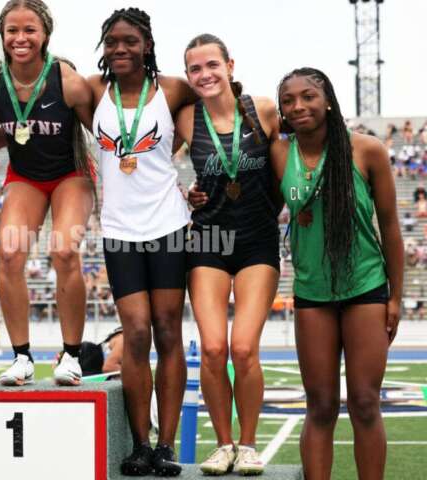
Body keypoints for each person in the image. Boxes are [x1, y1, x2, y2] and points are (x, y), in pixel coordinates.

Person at [271, 67, 403, 480]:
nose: (298, 105)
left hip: (365, 288)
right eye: (288, 100)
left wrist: (395, 296)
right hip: (312, 293)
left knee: (364, 401)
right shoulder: (279, 154)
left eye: (308, 96)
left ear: (327, 99)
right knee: (321, 405)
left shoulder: (367, 150)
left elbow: (391, 225)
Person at [88, 8, 196, 477]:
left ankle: (166, 445)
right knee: (135, 332)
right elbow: (37, 81)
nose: (120, 49)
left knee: (168, 330)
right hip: (119, 229)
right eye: (112, 41)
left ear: (147, 44)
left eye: (130, 41)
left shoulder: (172, 90)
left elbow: (219, 99)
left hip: (169, 224)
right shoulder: (92, 91)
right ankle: (138, 442)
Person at [0, 0, 95, 387]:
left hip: (70, 174)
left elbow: (101, 134)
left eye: (30, 30)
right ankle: (21, 357)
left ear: (45, 34)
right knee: (9, 253)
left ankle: (72, 355)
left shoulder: (69, 81)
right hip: (24, 175)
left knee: (63, 250)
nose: (20, 38)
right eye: (13, 30)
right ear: (2, 35)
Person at [178, 34, 280, 475]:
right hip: (208, 241)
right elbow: (152, 166)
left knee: (243, 348)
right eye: (196, 69)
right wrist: (184, 193)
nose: (205, 75)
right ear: (188, 77)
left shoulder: (263, 109)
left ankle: (250, 443)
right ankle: (223, 445)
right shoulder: (185, 118)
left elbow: (295, 156)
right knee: (215, 348)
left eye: (212, 65)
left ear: (230, 65)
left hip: (258, 241)